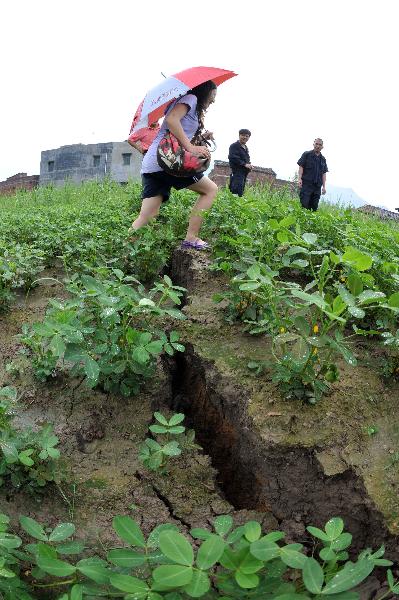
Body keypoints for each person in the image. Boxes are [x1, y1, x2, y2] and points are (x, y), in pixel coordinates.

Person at [128, 80, 218, 250]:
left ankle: (125, 250)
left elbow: (180, 131)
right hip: (167, 160)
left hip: (153, 164)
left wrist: (201, 138)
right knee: (210, 190)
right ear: (205, 91)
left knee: (147, 216)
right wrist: (191, 147)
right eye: (213, 95)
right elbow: (171, 120)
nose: (213, 100)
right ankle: (192, 237)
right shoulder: (190, 98)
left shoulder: (190, 105)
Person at [297, 138, 328, 211]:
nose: (318, 146)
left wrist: (324, 187)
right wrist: (299, 179)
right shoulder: (306, 154)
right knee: (304, 206)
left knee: (314, 208)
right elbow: (301, 166)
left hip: (317, 187)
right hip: (306, 185)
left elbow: (324, 173)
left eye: (320, 145)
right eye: (316, 144)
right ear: (313, 144)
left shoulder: (323, 159)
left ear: (322, 147)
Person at [228, 129, 253, 197]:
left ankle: (237, 204)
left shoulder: (245, 148)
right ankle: (233, 204)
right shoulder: (234, 146)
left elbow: (246, 159)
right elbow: (233, 157)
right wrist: (244, 164)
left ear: (249, 138)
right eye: (243, 135)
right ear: (239, 135)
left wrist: (249, 165)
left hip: (244, 172)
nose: (245, 137)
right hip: (237, 171)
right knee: (236, 190)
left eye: (247, 136)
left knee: (241, 190)